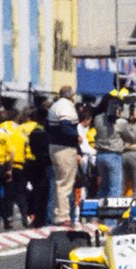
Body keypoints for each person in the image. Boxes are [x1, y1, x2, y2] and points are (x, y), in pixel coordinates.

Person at [92, 92, 136, 198]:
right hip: (113, 155)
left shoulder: (97, 119)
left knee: (103, 187)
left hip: (100, 156)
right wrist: (132, 123)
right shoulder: (120, 123)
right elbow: (133, 138)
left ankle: (100, 212)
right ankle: (111, 214)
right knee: (115, 189)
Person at [47, 85, 80, 225]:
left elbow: (48, 126)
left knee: (59, 181)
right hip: (65, 148)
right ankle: (63, 216)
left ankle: (58, 213)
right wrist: (76, 136)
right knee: (65, 183)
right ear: (71, 95)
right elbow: (65, 126)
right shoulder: (66, 107)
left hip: (54, 146)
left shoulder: (54, 106)